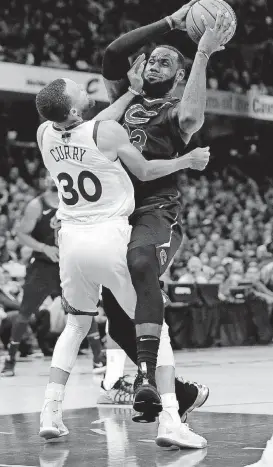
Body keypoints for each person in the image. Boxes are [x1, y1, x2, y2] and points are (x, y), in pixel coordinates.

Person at [35, 75, 210, 442]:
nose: (86, 91)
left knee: (76, 326)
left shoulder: (45, 134)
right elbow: (145, 170)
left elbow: (94, 125)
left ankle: (50, 411)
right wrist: (186, 160)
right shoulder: (108, 134)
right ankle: (172, 420)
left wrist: (131, 92)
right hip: (110, 236)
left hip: (72, 242)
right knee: (153, 323)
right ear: (71, 107)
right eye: (78, 90)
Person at [99, 0, 235, 425]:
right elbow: (113, 54)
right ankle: (183, 391)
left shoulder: (174, 110)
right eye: (152, 60)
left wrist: (201, 55)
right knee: (115, 318)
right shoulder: (125, 98)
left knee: (141, 264)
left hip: (157, 211)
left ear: (177, 75)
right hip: (114, 212)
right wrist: (171, 22)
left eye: (163, 63)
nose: (153, 65)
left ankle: (145, 381)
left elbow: (193, 116)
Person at [0, 177, 61, 376]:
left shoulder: (74, 202)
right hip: (42, 265)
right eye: (49, 175)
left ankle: (98, 359)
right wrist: (44, 248)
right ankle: (10, 360)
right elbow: (21, 234)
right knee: (25, 312)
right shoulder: (37, 204)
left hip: (67, 263)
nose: (53, 179)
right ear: (44, 180)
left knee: (83, 309)